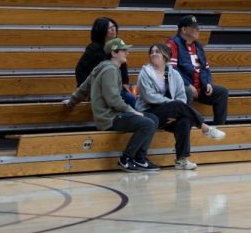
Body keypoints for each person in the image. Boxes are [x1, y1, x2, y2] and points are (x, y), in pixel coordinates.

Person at [64, 38, 159, 173]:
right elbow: (113, 100)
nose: (127, 53)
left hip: (112, 115)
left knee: (153, 119)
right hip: (109, 118)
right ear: (114, 53)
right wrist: (131, 110)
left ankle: (140, 158)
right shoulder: (110, 70)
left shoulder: (101, 67)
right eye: (124, 50)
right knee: (147, 123)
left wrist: (71, 102)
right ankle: (126, 159)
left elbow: (83, 88)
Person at [136, 44, 226, 170]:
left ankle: (181, 160)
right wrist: (173, 106)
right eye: (152, 52)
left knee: (185, 120)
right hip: (148, 113)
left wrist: (174, 112)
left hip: (170, 113)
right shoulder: (145, 73)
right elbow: (149, 97)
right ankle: (205, 127)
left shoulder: (174, 74)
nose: (153, 54)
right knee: (178, 106)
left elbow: (181, 98)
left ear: (166, 56)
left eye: (158, 52)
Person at [167, 15, 229, 125]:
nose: (198, 29)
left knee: (222, 92)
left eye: (197, 27)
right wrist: (188, 85)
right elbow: (172, 69)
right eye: (194, 27)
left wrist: (208, 83)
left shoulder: (198, 46)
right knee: (186, 92)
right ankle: (188, 127)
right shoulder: (173, 43)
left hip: (200, 87)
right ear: (184, 29)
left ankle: (219, 127)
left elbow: (205, 68)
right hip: (182, 88)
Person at [73, 17, 136, 108]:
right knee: (129, 99)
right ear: (101, 30)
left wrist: (125, 83)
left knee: (130, 97)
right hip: (99, 89)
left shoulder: (117, 44)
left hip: (112, 87)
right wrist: (87, 91)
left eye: (114, 26)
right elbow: (80, 69)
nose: (113, 29)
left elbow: (123, 66)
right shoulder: (94, 48)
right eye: (109, 28)